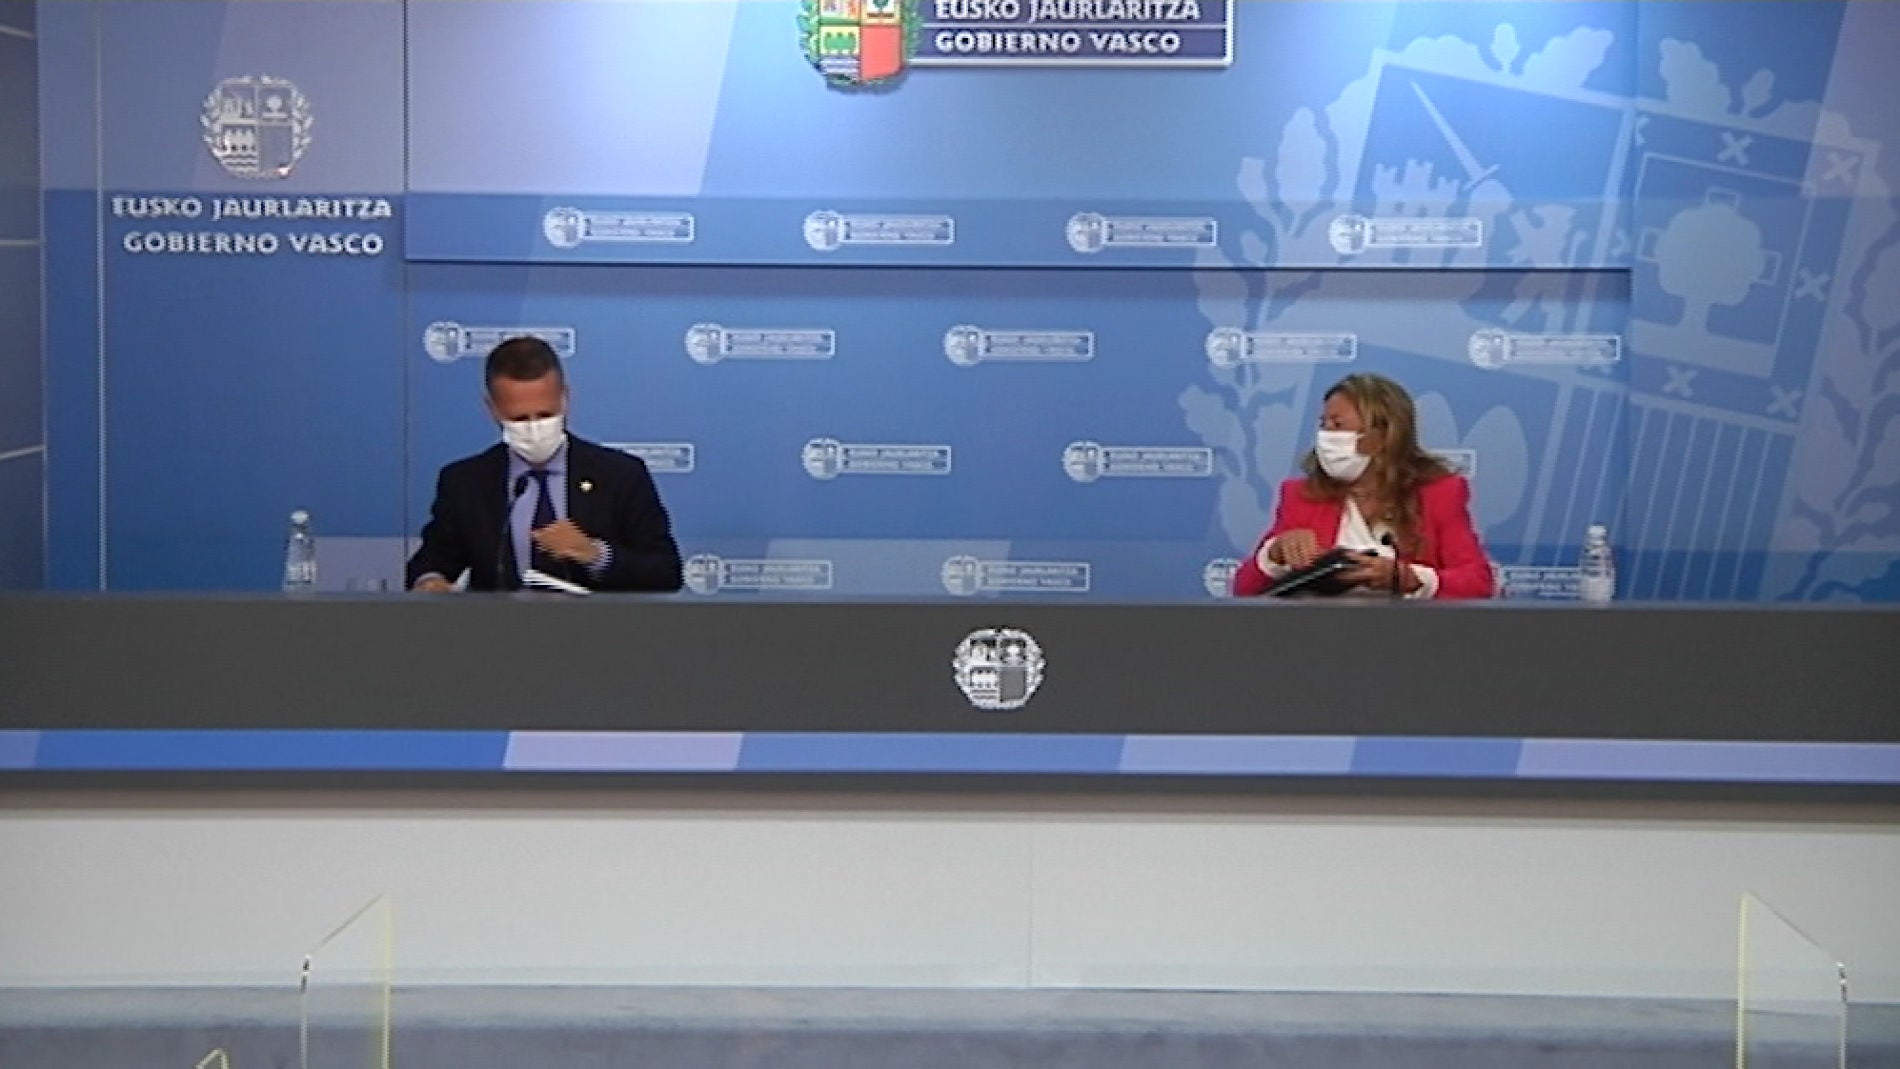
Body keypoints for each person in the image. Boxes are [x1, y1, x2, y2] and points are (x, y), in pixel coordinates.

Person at [406, 337, 683, 593]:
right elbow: (430, 563)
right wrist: (431, 582)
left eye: (545, 415)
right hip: (499, 629)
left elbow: (666, 572)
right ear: (493, 409)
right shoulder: (465, 482)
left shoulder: (620, 475)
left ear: (565, 398)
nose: (534, 428)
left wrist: (595, 554)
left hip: (598, 628)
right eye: (519, 418)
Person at [1232, 373, 1494, 599]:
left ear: (1382, 436)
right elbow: (1243, 590)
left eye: (1337, 425)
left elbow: (1479, 583)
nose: (1325, 436)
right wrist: (1274, 555)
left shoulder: (1439, 494)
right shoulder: (1301, 496)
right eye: (1323, 425)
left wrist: (1410, 579)